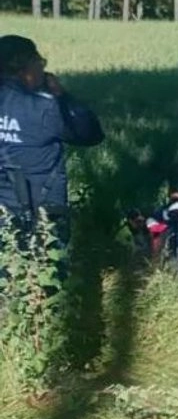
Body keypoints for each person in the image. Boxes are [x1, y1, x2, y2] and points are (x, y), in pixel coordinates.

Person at [0, 35, 104, 267]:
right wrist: (62, 96)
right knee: (47, 278)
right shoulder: (45, 107)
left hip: (3, 208)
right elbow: (91, 135)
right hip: (44, 212)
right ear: (25, 68)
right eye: (40, 63)